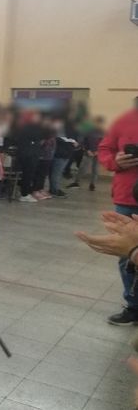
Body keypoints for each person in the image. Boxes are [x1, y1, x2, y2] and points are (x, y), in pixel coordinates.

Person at [97, 100, 138, 325]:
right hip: (128, 198)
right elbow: (104, 149)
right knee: (127, 255)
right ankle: (133, 305)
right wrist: (117, 161)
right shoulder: (124, 121)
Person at [69, 116, 104, 191]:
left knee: (95, 170)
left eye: (99, 123)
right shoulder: (89, 131)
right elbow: (84, 142)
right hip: (88, 153)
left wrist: (98, 152)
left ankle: (92, 184)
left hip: (98, 154)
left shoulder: (104, 133)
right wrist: (87, 150)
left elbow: (105, 144)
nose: (97, 124)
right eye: (96, 122)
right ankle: (76, 182)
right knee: (82, 168)